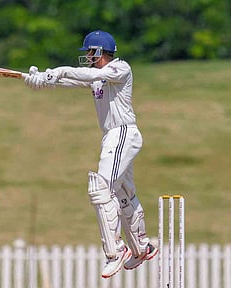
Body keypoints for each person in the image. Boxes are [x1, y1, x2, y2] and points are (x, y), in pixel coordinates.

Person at [24, 30, 158, 278]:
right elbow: (72, 80)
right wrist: (43, 79)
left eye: (89, 52)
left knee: (100, 188)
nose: (86, 56)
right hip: (112, 137)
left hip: (123, 134)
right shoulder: (96, 77)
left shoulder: (120, 68)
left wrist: (60, 71)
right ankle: (142, 247)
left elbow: (88, 74)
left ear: (99, 51)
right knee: (123, 193)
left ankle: (116, 252)